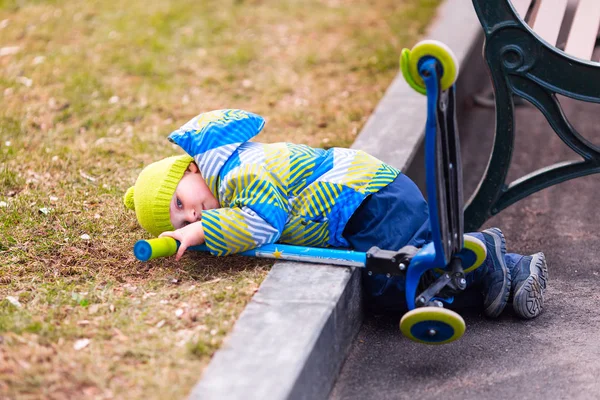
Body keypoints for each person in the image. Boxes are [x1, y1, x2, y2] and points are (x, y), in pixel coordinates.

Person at [124, 109, 548, 319]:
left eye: (182, 202)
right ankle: (509, 270)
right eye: (182, 222)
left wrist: (202, 234)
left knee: (393, 281)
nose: (191, 215)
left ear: (193, 169)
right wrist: (200, 233)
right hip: (370, 198)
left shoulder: (238, 173)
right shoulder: (229, 177)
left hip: (366, 201)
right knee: (405, 275)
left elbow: (263, 221)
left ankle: (487, 259)